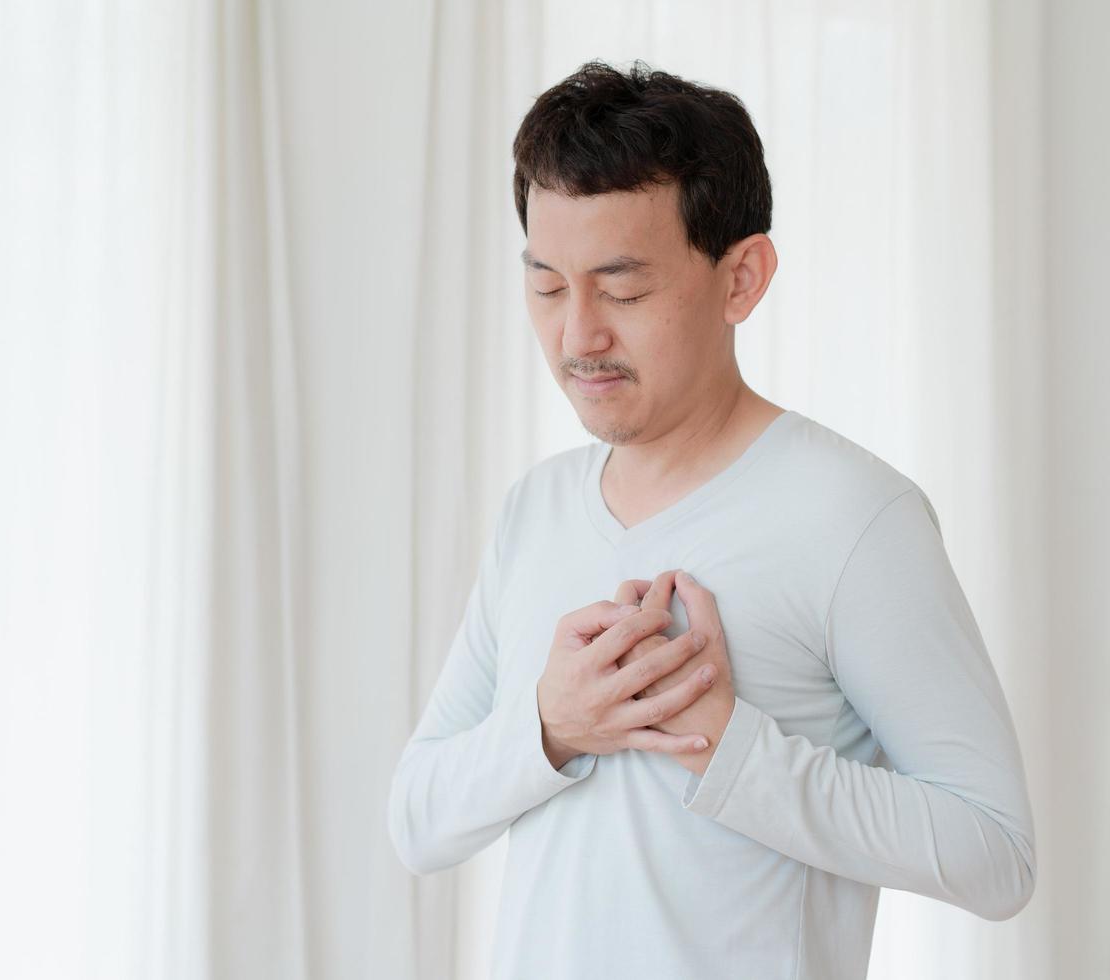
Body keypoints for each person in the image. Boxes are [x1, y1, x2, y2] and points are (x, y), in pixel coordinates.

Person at [387, 58, 1036, 980]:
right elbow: (417, 820)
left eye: (622, 289)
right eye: (546, 286)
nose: (578, 337)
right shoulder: (535, 510)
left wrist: (733, 753)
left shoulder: (854, 518)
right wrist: (551, 725)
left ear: (742, 278)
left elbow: (995, 853)